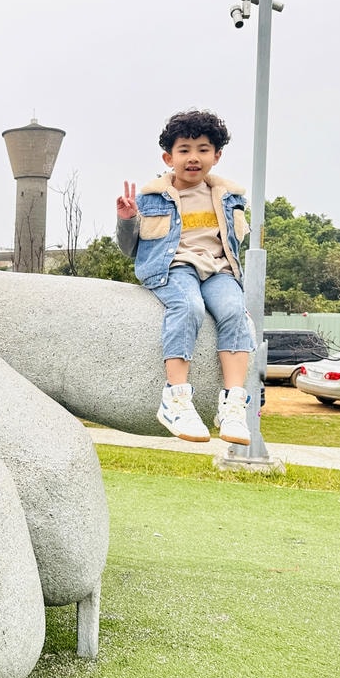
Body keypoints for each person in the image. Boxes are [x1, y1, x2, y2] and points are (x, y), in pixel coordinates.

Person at [115, 109, 254, 445]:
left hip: (218, 269)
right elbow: (129, 248)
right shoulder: (152, 196)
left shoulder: (230, 197)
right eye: (184, 150)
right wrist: (128, 219)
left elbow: (233, 243)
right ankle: (176, 397)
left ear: (216, 156)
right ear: (168, 157)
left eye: (203, 149)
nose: (194, 158)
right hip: (173, 267)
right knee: (189, 306)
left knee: (235, 311)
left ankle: (233, 404)